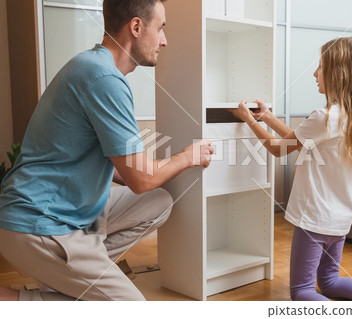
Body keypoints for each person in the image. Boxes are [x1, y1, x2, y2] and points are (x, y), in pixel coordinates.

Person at [0, 0, 213, 301]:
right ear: (136, 27)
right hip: (39, 222)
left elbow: (121, 171)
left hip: (61, 209)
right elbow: (140, 180)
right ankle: (13, 299)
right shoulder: (105, 79)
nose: (164, 40)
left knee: (159, 201)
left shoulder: (94, 66)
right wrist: (187, 157)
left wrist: (139, 170)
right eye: (161, 28)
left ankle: (76, 273)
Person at [230, 37, 352, 301]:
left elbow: (280, 148)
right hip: (339, 221)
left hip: (314, 221)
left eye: (320, 67)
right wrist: (268, 117)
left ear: (339, 74)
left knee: (302, 291)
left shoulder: (324, 116)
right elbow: (298, 140)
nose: (315, 74)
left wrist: (249, 121)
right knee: (329, 281)